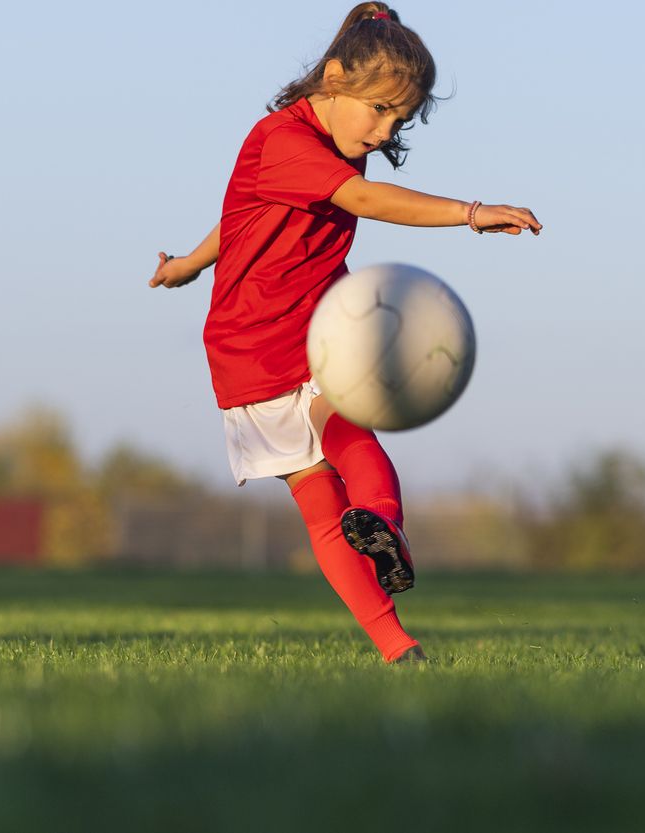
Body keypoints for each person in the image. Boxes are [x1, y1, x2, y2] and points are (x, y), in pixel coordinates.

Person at [149, 2, 541, 664]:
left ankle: (395, 628)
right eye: (379, 110)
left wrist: (189, 262)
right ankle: (387, 541)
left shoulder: (330, 140)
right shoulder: (283, 139)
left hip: (309, 323)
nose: (386, 130)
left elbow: (242, 215)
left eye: (400, 119)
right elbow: (359, 201)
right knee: (328, 479)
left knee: (335, 466)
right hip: (259, 344)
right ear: (335, 78)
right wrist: (470, 213)